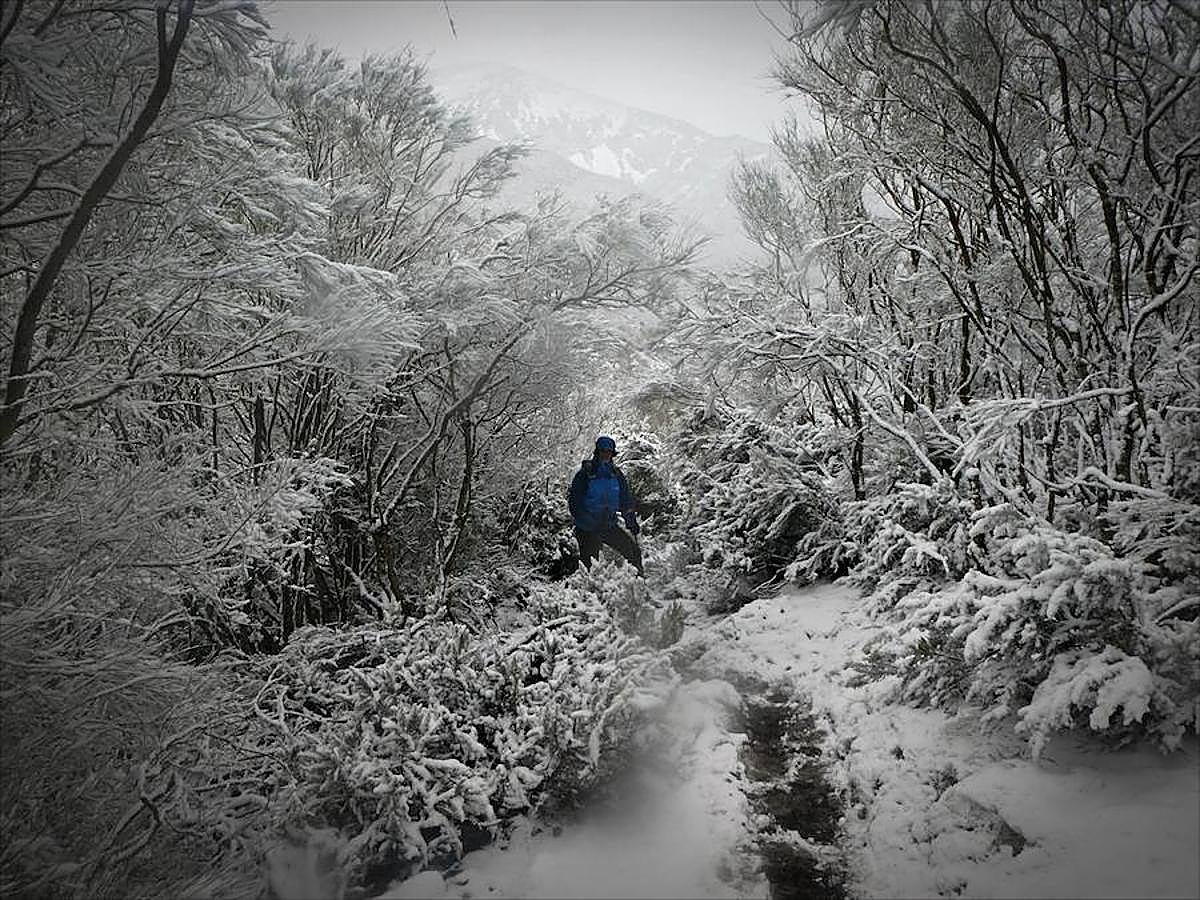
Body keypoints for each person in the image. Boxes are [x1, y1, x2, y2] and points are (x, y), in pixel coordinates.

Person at [568, 435, 644, 577]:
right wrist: (589, 522)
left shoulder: (616, 475)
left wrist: (631, 520)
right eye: (603, 451)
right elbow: (574, 504)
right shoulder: (585, 474)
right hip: (587, 528)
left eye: (609, 452)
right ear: (597, 452)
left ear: (612, 454)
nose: (606, 455)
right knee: (590, 567)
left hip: (608, 524)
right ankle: (586, 595)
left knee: (633, 551)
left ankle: (639, 583)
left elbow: (625, 500)